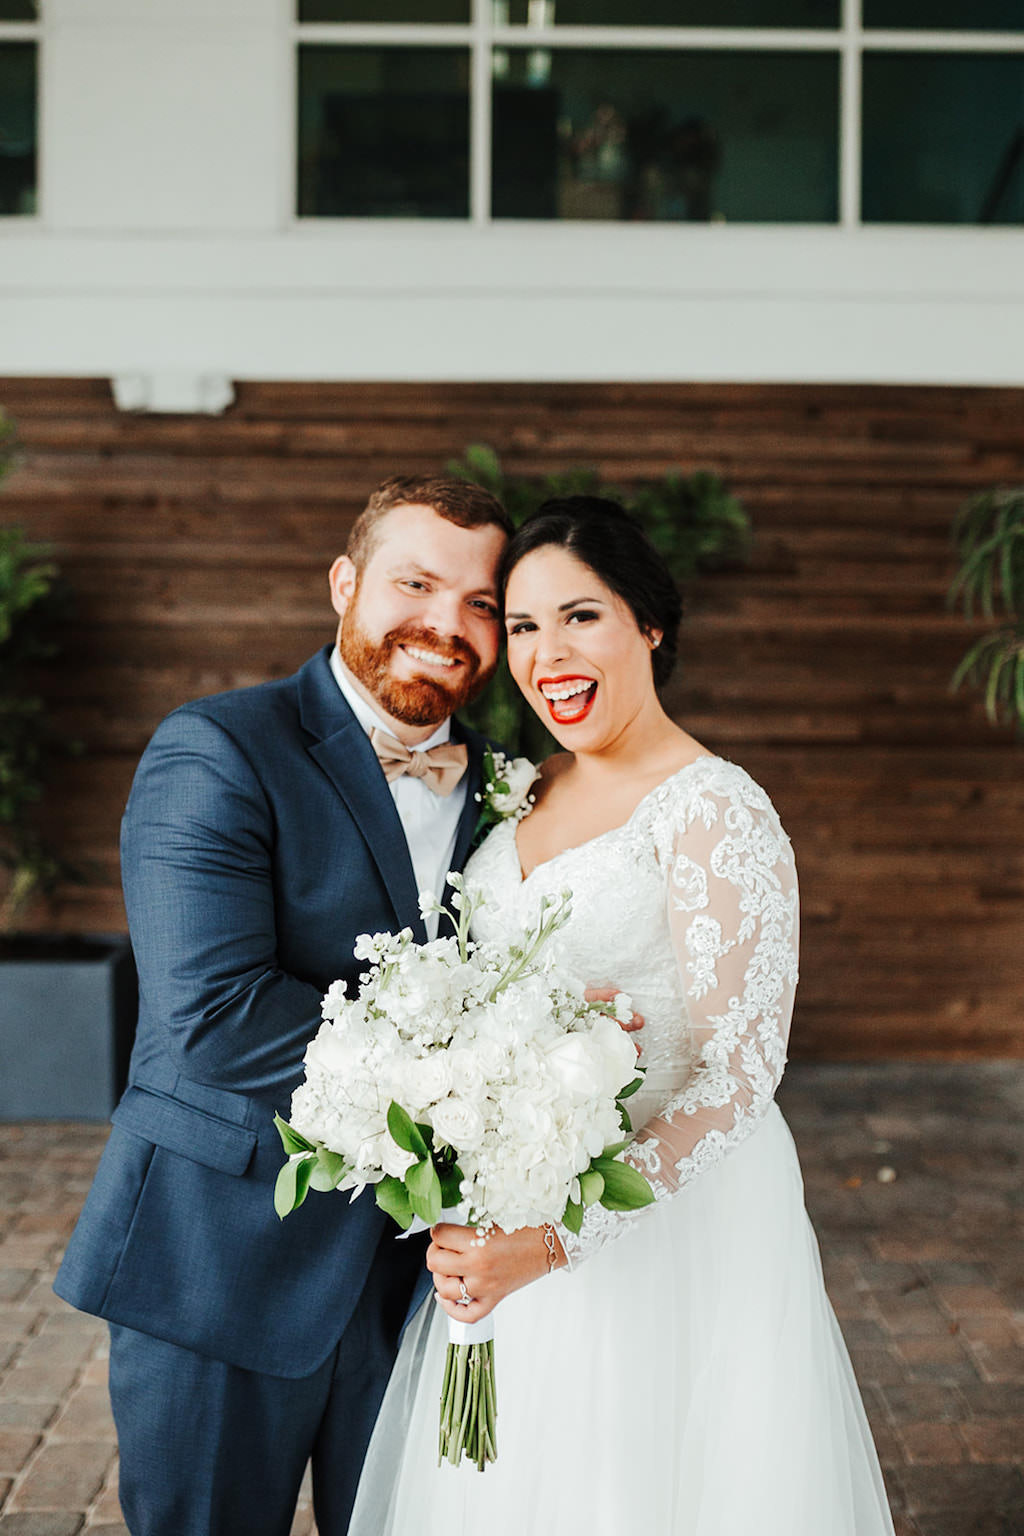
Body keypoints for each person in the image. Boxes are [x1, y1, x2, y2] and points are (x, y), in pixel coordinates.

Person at [350, 496, 895, 1536]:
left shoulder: (714, 808)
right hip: (509, 1212)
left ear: (648, 624)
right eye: (518, 627)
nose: (545, 652)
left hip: (666, 1235)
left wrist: (551, 1242)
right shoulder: (518, 790)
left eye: (580, 616)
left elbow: (740, 1077)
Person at [54, 476, 515, 1536]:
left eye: (480, 602)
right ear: (345, 583)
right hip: (220, 1260)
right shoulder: (218, 747)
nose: (445, 624)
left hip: (417, 1285)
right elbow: (217, 1014)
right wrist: (483, 1080)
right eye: (415, 582)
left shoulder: (506, 782)